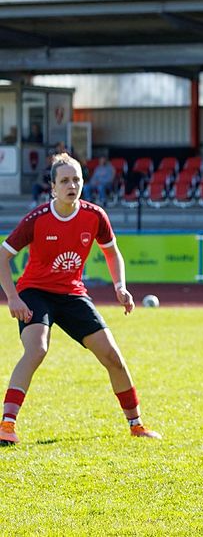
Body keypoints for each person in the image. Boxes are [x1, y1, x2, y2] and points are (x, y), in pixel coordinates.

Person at [0, 153, 161, 446]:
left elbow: (112, 252)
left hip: (73, 294)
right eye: (64, 180)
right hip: (35, 292)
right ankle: (7, 425)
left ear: (83, 183)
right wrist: (13, 297)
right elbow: (3, 256)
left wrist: (120, 287)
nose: (71, 185)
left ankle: (136, 424)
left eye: (76, 179)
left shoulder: (95, 215)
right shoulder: (37, 220)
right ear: (53, 187)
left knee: (112, 356)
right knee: (37, 349)